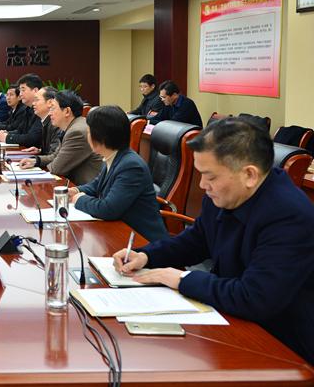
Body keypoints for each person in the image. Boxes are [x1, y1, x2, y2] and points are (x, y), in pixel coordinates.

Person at [113, 118, 314, 364]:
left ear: (249, 174)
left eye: (210, 176)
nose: (202, 185)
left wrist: (181, 279)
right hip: (232, 321)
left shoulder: (289, 216)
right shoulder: (225, 193)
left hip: (282, 346)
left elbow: (255, 298)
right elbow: (197, 240)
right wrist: (147, 255)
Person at [68, 105, 168, 241]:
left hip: (142, 240)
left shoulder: (131, 166)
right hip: (121, 231)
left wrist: (79, 199)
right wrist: (76, 190)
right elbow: (97, 185)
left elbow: (108, 210)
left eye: (89, 131)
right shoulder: (114, 155)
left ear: (101, 137)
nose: (87, 136)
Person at [19, 90, 103, 185]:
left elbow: (56, 168)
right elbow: (56, 156)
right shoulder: (72, 126)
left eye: (53, 108)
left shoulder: (77, 132)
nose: (50, 113)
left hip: (84, 188)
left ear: (67, 111)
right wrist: (35, 161)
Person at [0, 73, 42, 148]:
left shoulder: (40, 110)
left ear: (35, 90)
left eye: (23, 90)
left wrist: (7, 137)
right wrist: (6, 133)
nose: (20, 94)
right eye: (20, 91)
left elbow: (32, 138)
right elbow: (20, 130)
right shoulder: (28, 109)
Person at [20, 87, 61, 157]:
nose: (33, 103)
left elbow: (55, 157)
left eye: (36, 100)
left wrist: (37, 160)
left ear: (50, 103)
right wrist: (40, 151)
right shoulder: (45, 121)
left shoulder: (56, 124)